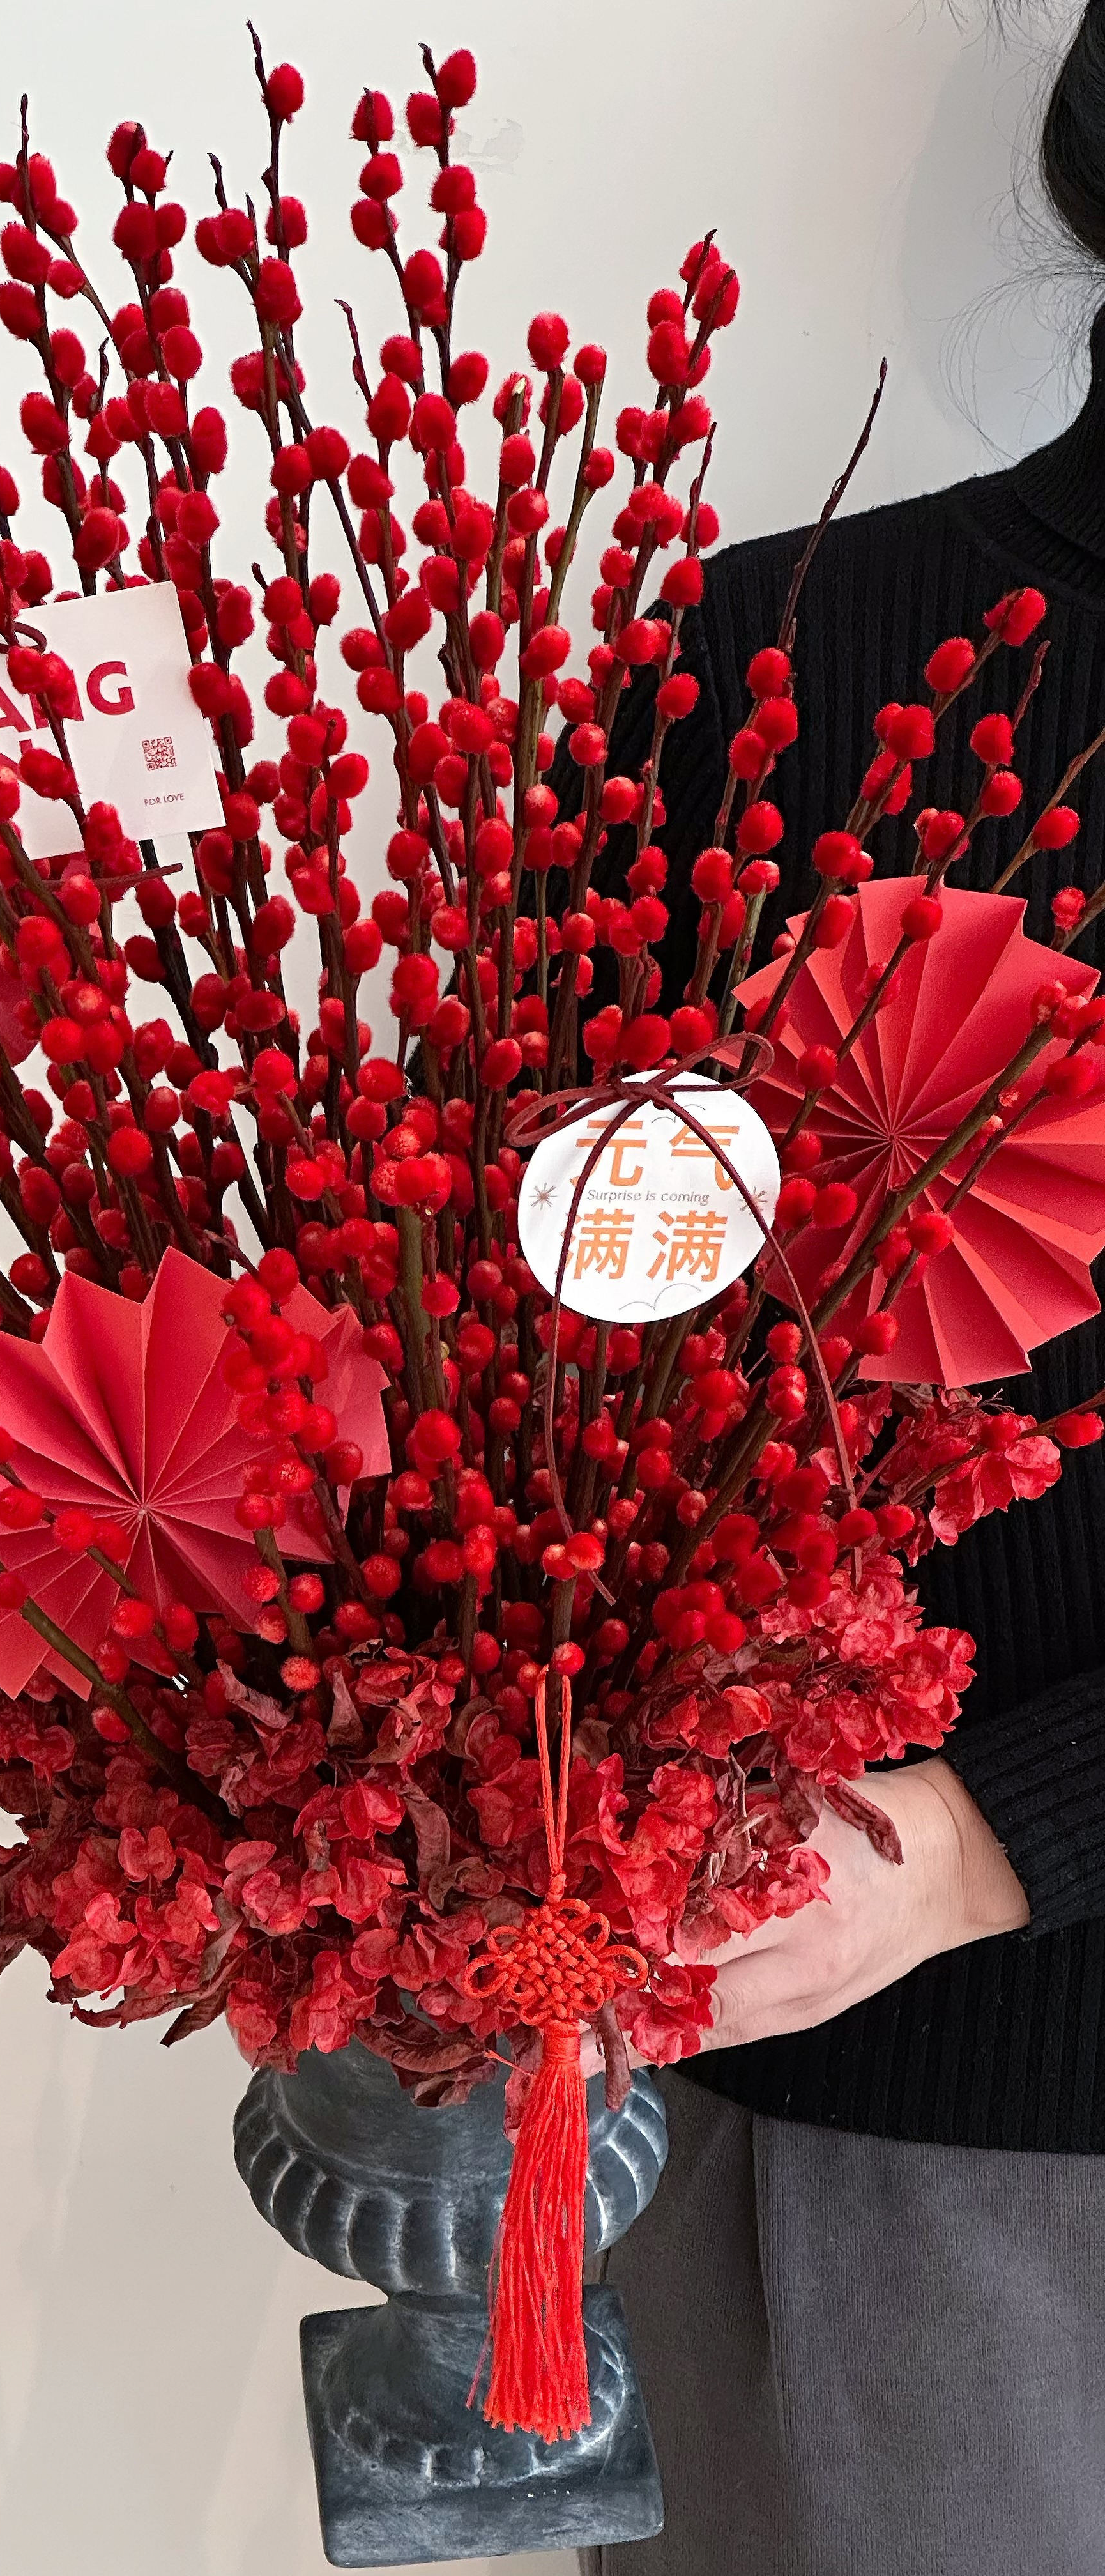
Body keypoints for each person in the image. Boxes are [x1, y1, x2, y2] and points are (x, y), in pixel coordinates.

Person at [579, 13, 1105, 2571]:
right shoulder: (772, 680)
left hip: (910, 2030)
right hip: (895, 2137)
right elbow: (535, 1411)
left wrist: (1013, 1828)